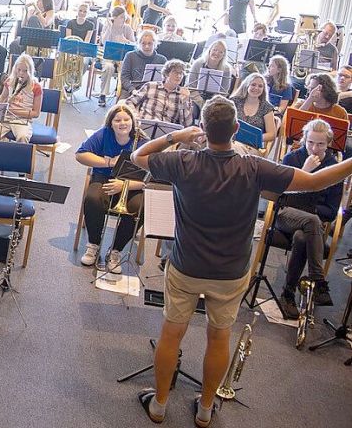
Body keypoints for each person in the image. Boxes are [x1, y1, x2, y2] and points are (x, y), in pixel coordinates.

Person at [130, 95, 352, 428]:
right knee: (219, 337)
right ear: (236, 128)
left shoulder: (182, 161)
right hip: (231, 272)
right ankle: (205, 410)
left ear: (203, 129)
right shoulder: (255, 167)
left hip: (186, 266)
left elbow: (138, 155)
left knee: (171, 334)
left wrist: (177, 136)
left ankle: (159, 406)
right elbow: (317, 181)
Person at [276, 119, 341, 318]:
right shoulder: (292, 158)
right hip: (286, 214)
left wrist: (310, 209)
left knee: (302, 237)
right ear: (304, 139)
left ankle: (288, 293)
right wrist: (305, 172)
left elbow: (331, 211)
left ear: (328, 144)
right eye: (310, 142)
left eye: (320, 144)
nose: (314, 148)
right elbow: (280, 194)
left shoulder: (333, 167)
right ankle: (318, 282)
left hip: (311, 223)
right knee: (311, 221)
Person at [76, 104, 144, 273]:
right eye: (117, 120)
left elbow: (150, 177)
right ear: (111, 123)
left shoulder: (142, 141)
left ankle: (115, 251)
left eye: (126, 119)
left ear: (133, 122)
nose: (122, 123)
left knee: (142, 207)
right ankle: (94, 245)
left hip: (131, 184)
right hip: (104, 177)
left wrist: (125, 185)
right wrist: (108, 162)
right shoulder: (104, 134)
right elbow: (80, 154)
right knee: (93, 199)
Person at [124, 59, 193, 127]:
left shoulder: (183, 94)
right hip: (145, 125)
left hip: (167, 132)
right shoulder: (151, 86)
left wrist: (185, 102)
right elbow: (129, 102)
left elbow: (187, 124)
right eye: (175, 72)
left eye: (181, 73)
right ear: (166, 74)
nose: (179, 76)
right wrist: (135, 115)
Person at [0, 54, 42, 143]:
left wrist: (12, 111)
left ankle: (19, 156)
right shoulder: (9, 81)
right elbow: (2, 97)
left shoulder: (36, 87)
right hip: (6, 119)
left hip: (22, 120)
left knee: (22, 137)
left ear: (30, 71)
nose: (21, 74)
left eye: (25, 71)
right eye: (19, 70)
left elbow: (36, 113)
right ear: (15, 69)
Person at [95, 6, 137, 106]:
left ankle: (121, 97)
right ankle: (103, 95)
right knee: (108, 67)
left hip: (123, 58)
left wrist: (125, 40)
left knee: (124, 71)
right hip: (109, 56)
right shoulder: (107, 26)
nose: (124, 19)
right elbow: (103, 42)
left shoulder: (127, 28)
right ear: (114, 17)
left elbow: (134, 45)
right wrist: (110, 27)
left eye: (124, 16)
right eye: (121, 17)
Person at [228, 73, 278, 150]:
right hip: (231, 141)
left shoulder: (266, 107)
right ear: (247, 85)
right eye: (253, 85)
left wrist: (251, 138)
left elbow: (272, 134)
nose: (256, 88)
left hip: (252, 147)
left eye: (260, 86)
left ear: (263, 89)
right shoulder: (234, 101)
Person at [119, 30, 167, 100]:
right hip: (132, 89)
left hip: (154, 91)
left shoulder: (162, 59)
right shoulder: (130, 56)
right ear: (139, 44)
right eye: (143, 43)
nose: (147, 46)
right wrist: (132, 90)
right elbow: (124, 78)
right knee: (122, 107)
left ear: (155, 44)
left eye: (150, 43)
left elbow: (165, 80)